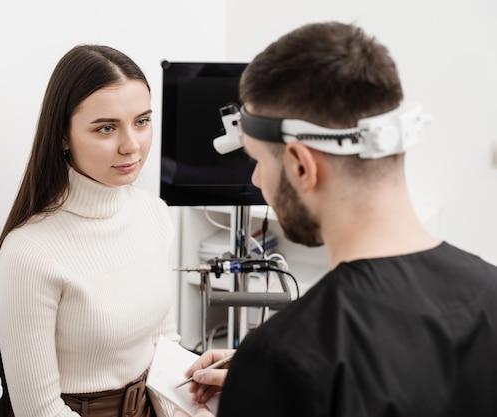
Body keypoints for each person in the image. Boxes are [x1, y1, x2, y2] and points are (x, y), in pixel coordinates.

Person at [175, 21, 497, 417]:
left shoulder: (284, 356)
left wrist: (262, 384)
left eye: (258, 161)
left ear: (301, 166)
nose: (257, 179)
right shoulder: (490, 293)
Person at [0, 45, 180, 417]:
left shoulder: (154, 214)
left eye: (142, 121)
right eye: (106, 128)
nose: (132, 145)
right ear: (62, 136)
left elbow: (165, 347)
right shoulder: (29, 253)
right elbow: (39, 411)